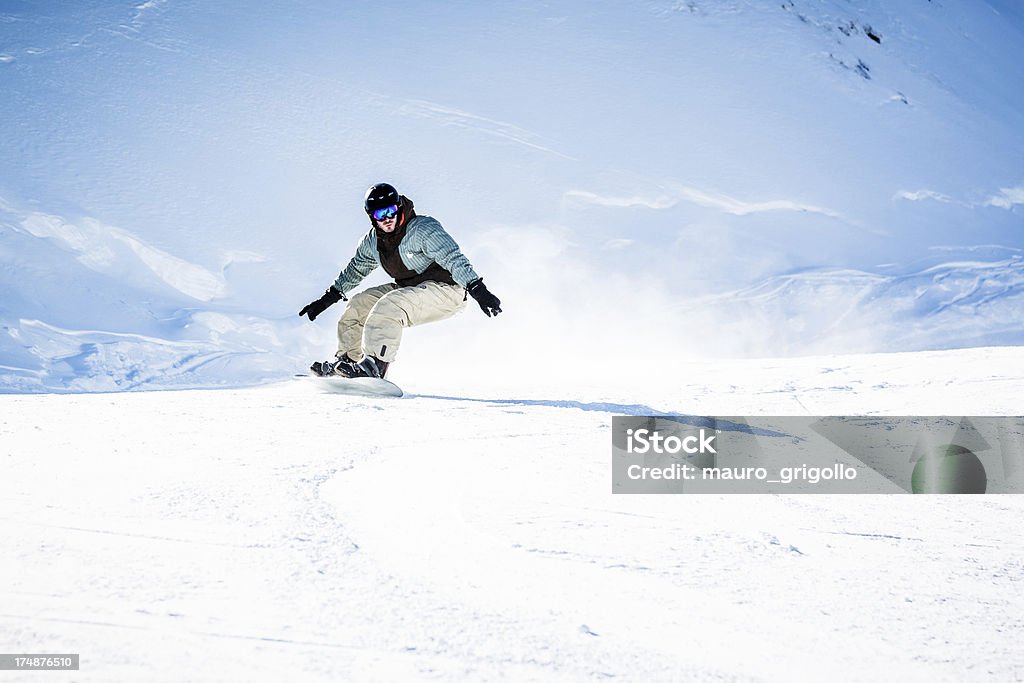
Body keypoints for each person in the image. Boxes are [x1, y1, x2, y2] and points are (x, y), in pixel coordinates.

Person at [299, 182, 502, 379]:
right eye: (381, 214)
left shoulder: (422, 229)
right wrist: (328, 298)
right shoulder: (373, 241)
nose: (388, 219)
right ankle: (348, 361)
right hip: (409, 288)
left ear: (398, 207)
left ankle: (375, 367)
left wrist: (478, 289)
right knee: (359, 304)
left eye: (391, 211)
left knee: (389, 306)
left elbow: (453, 258)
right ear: (372, 217)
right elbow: (355, 270)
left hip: (447, 290)